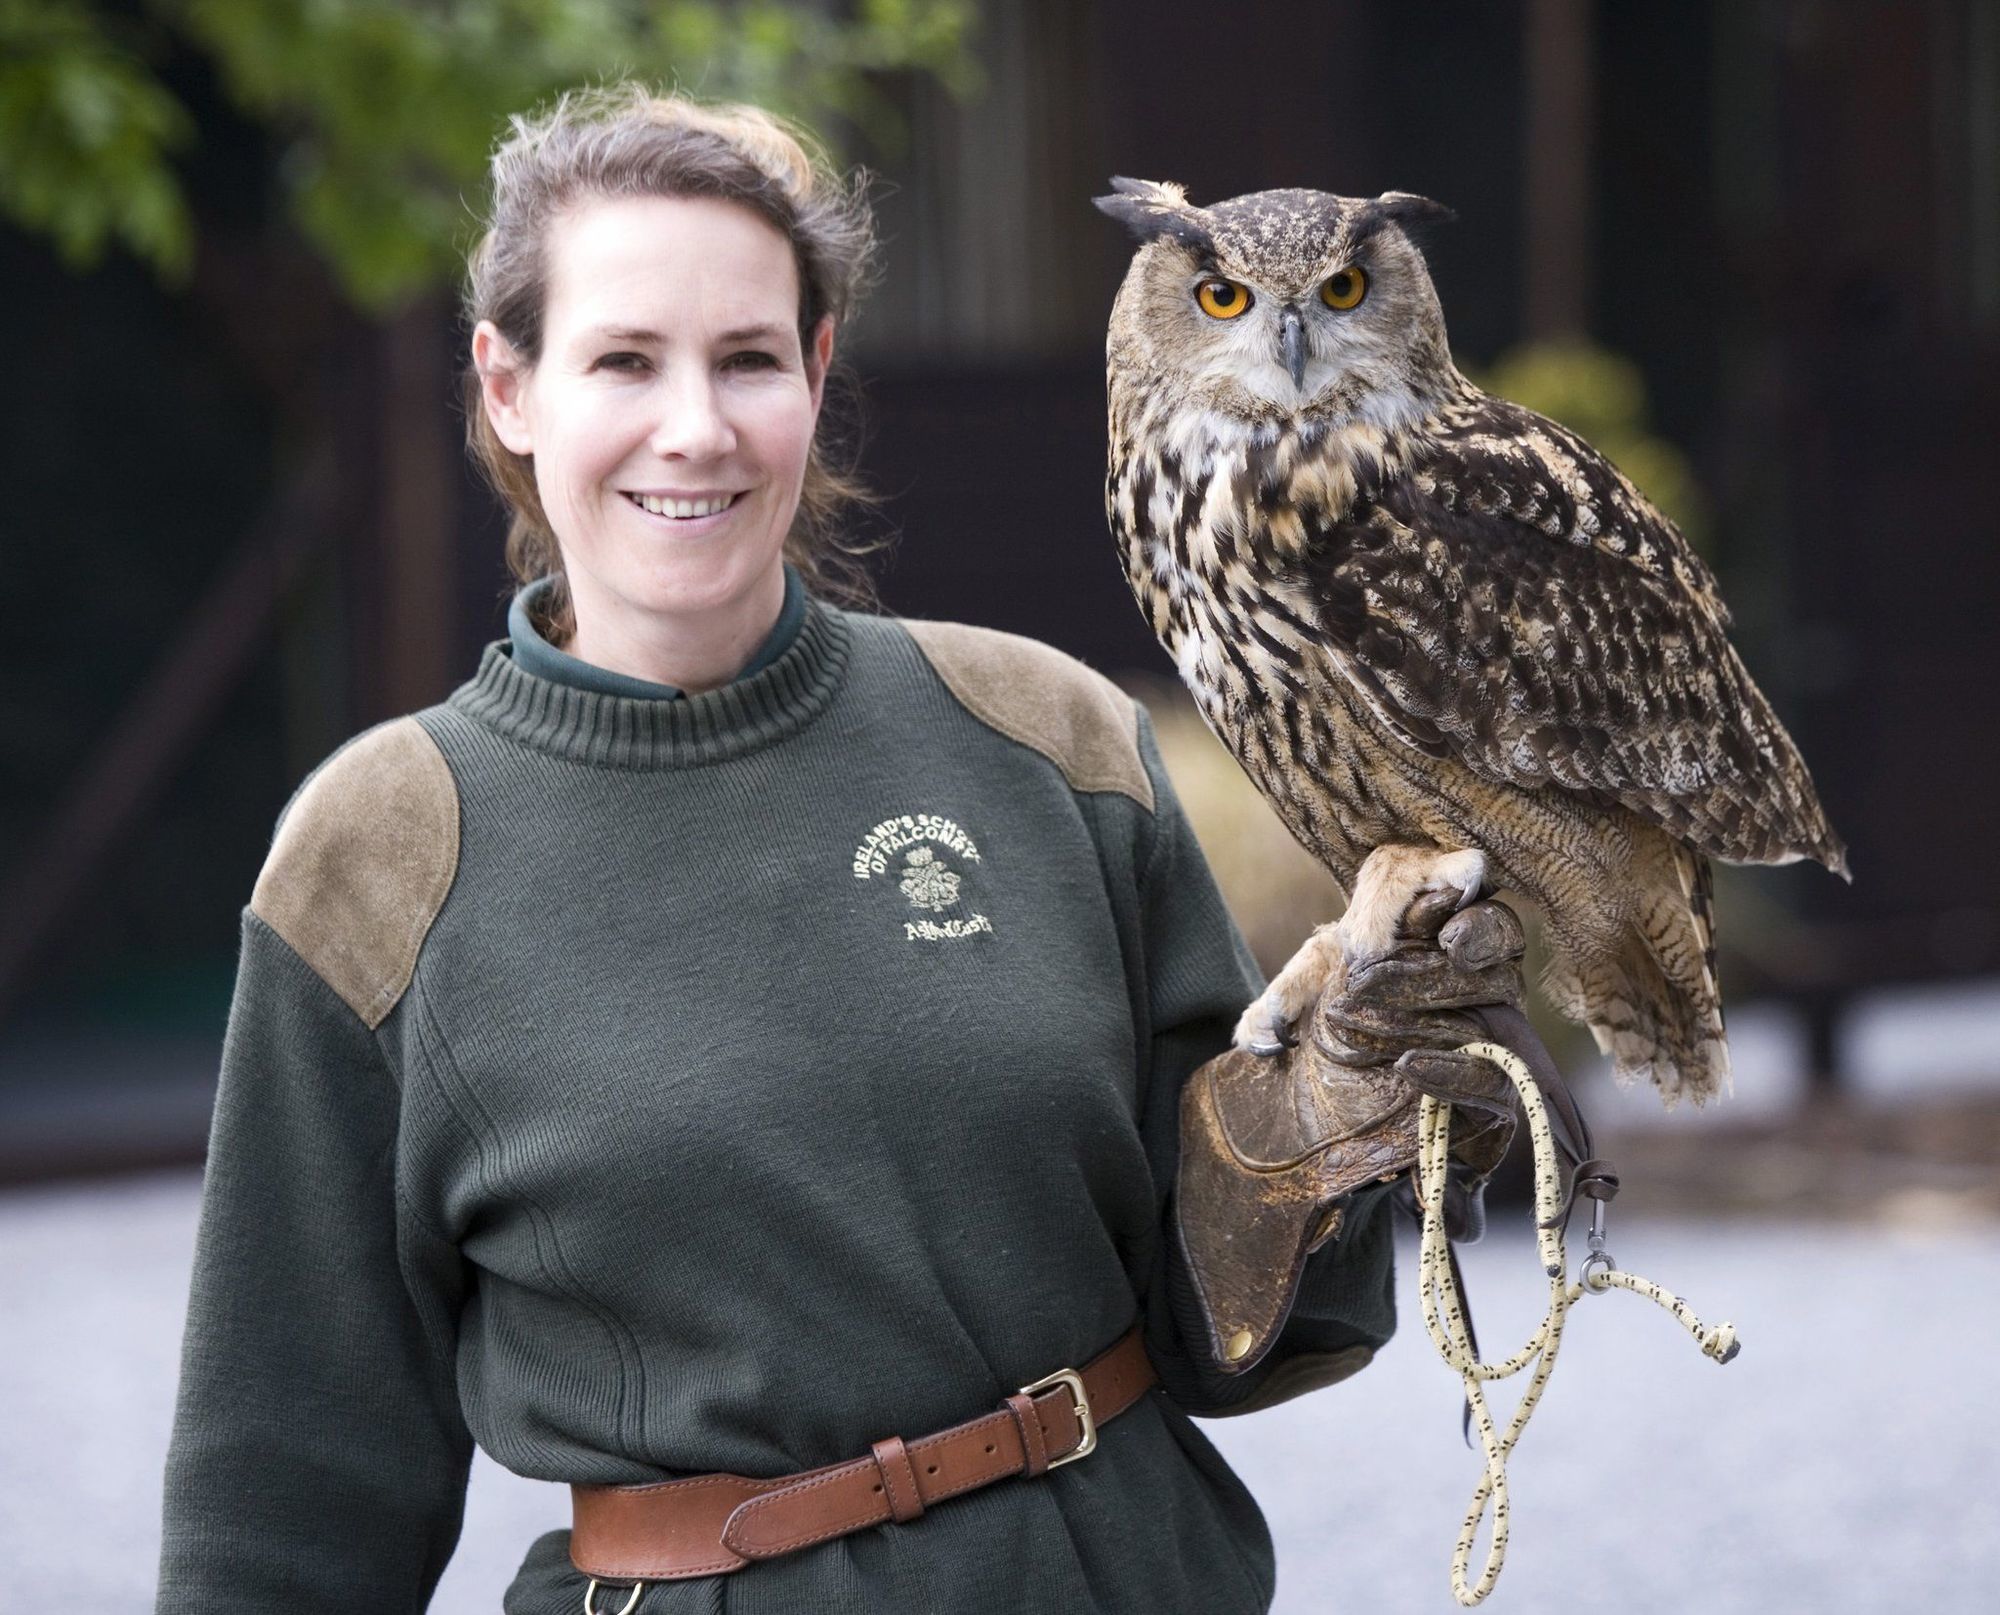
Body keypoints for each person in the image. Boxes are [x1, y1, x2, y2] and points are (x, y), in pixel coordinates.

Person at [154, 86, 1504, 1615]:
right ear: (511, 387)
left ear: (815, 370)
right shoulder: (380, 855)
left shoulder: (1043, 739)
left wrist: (1340, 1109)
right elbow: (282, 1504)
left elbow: (1230, 1322)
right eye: (622, 361)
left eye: (746, 359)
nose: (696, 428)